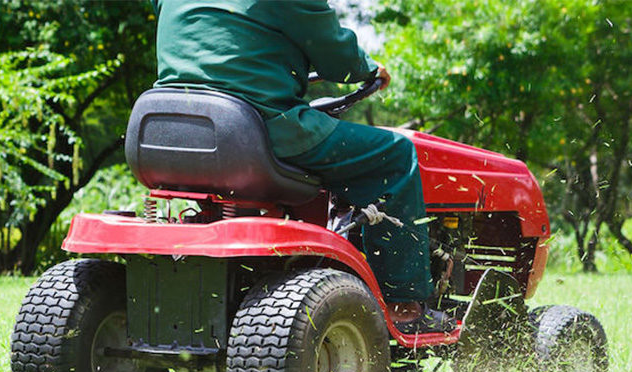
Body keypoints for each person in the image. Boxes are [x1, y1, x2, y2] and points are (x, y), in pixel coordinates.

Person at [150, 0, 454, 333]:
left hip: (161, 129)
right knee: (395, 156)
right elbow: (336, 54)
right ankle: (404, 306)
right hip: (255, 127)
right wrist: (368, 69)